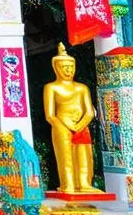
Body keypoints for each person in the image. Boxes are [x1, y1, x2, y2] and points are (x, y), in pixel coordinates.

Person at [43, 44, 101, 194]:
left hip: (81, 124)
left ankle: (84, 183)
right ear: (56, 68)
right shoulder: (51, 87)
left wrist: (80, 124)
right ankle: (67, 183)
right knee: (65, 156)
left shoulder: (81, 88)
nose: (69, 70)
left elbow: (89, 112)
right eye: (65, 67)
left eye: (71, 67)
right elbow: (50, 115)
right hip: (61, 125)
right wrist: (64, 123)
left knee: (84, 155)